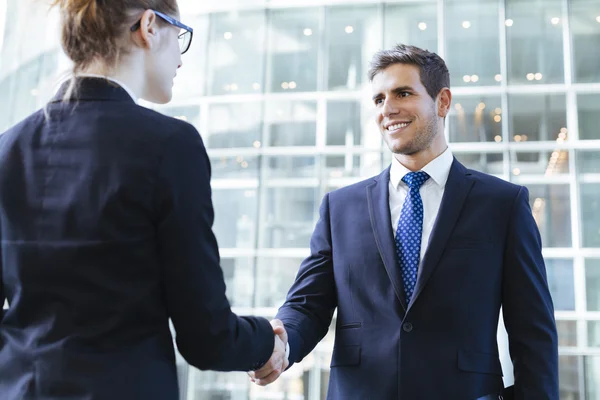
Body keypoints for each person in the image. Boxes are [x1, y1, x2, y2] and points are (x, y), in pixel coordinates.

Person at [0, 1, 286, 399]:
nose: (181, 61)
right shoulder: (169, 145)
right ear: (149, 25)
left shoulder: (7, 150)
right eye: (179, 37)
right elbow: (206, 337)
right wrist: (265, 341)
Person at [250, 44, 558, 399]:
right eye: (379, 99)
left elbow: (533, 332)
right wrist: (281, 342)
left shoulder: (503, 204)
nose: (388, 109)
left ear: (442, 102)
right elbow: (308, 303)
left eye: (403, 93)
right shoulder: (340, 207)